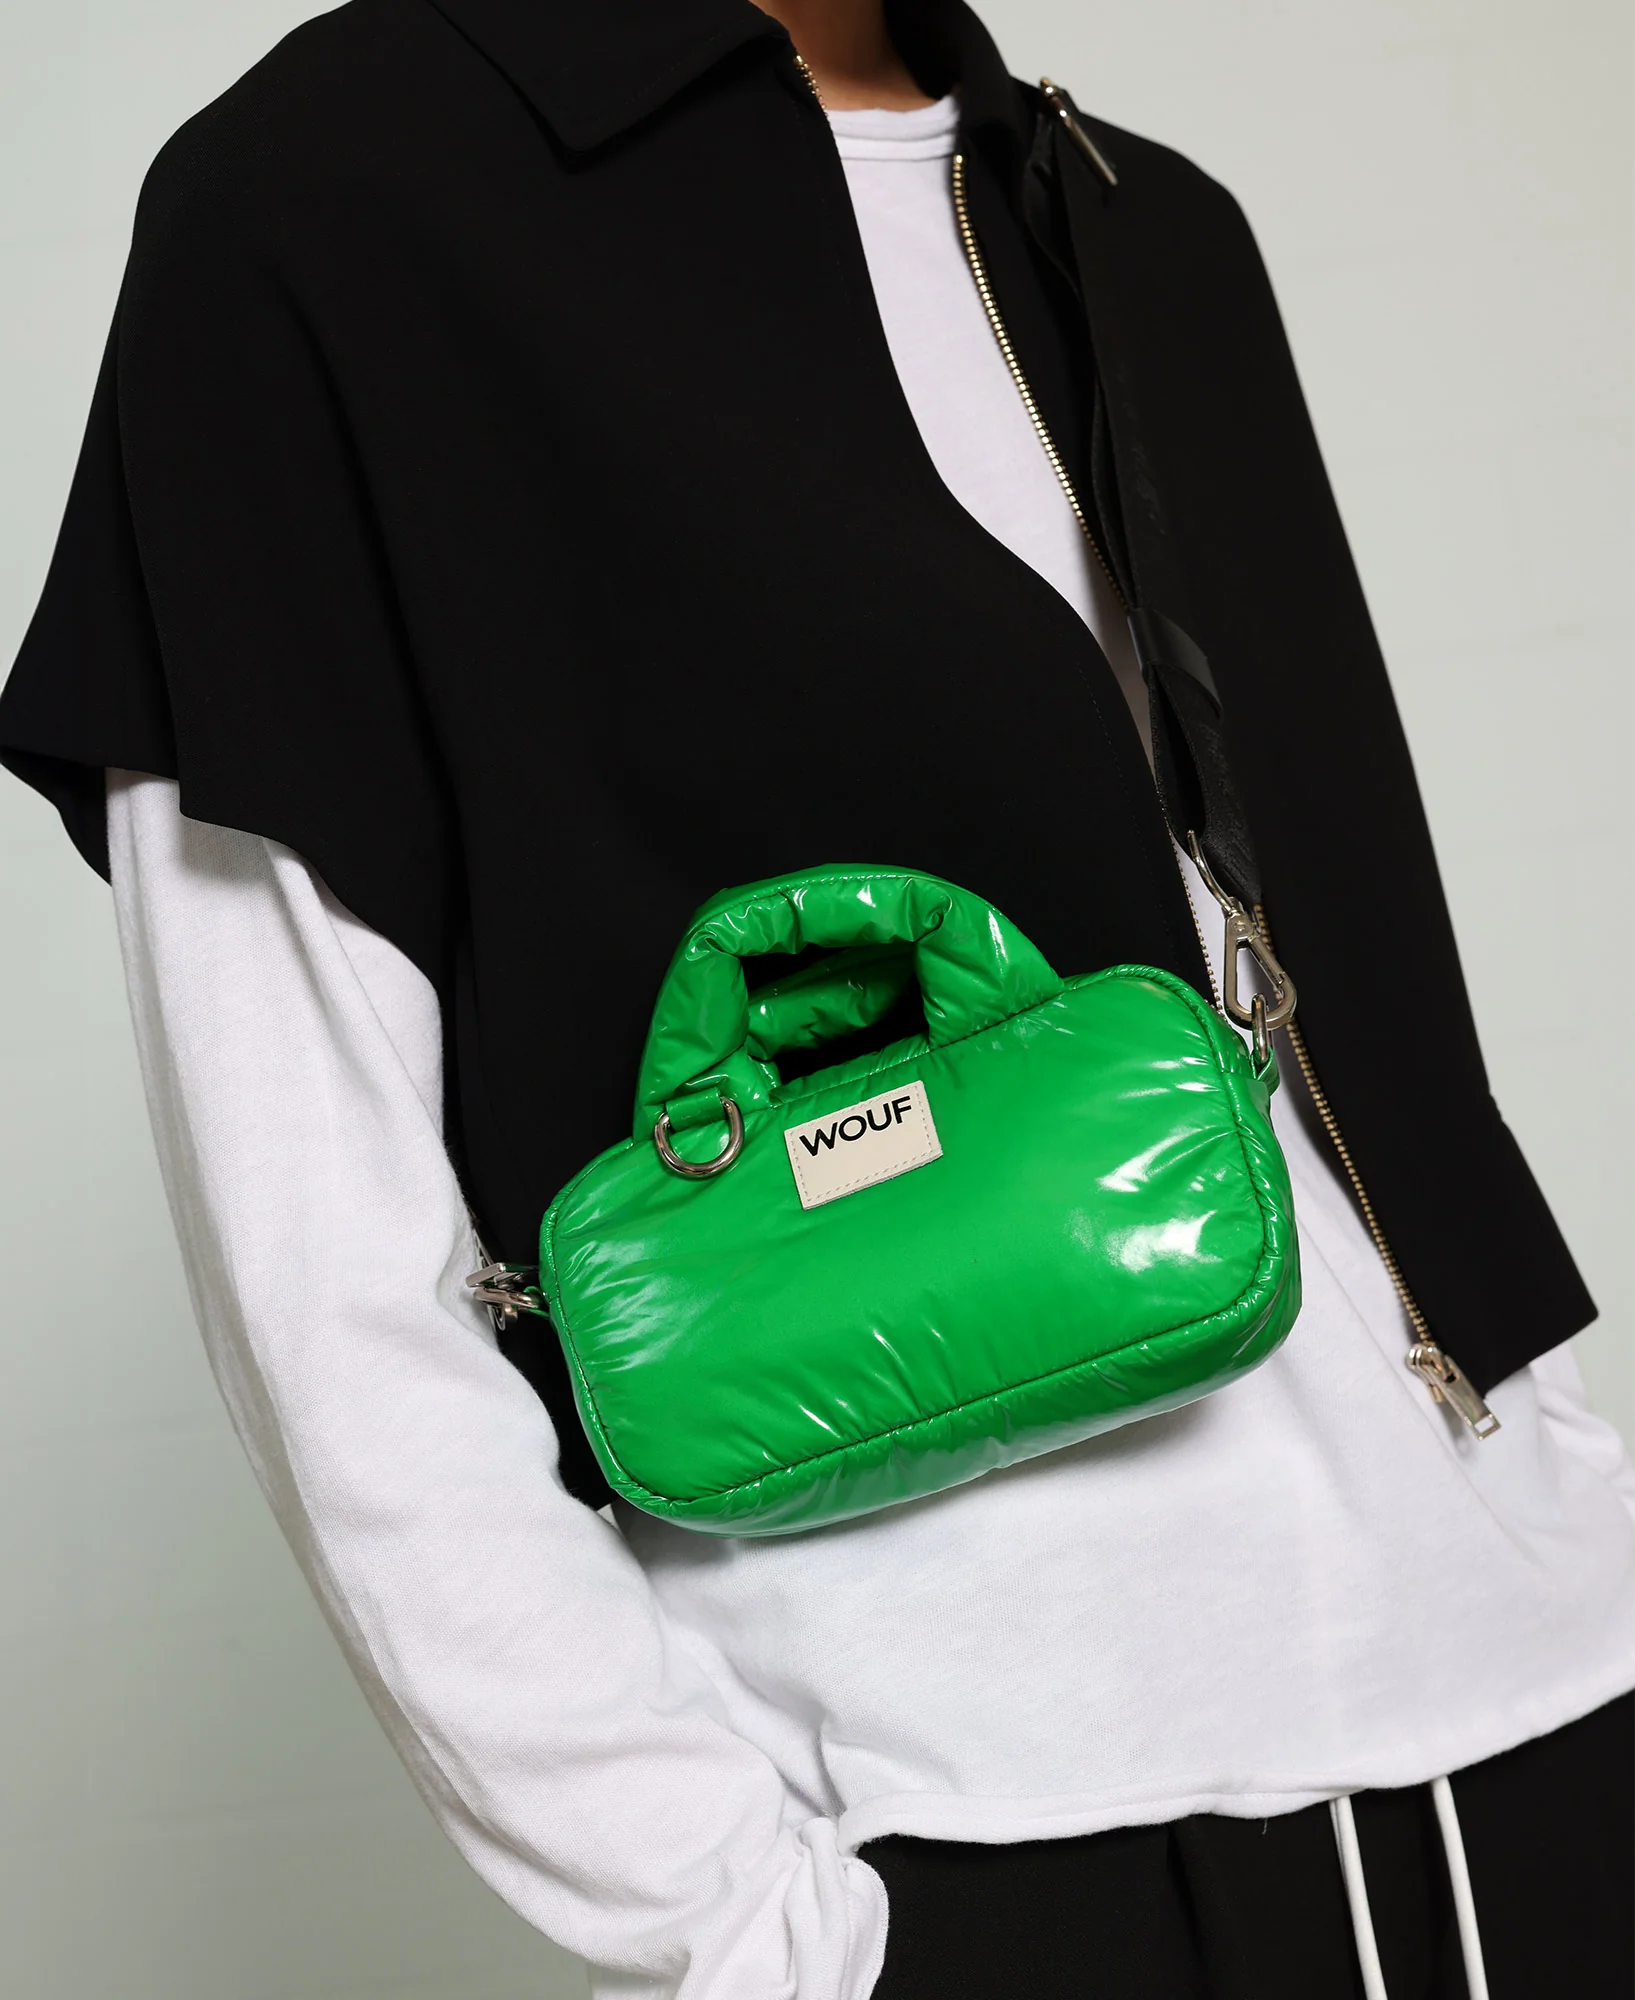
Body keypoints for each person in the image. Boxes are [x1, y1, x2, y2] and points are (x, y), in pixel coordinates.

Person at [3, 1, 1631, 1994]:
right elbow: (317, 1248)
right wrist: (746, 1921)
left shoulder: (1133, 220)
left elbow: (1334, 1016)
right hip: (985, 1826)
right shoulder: (330, 205)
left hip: (1559, 1712)